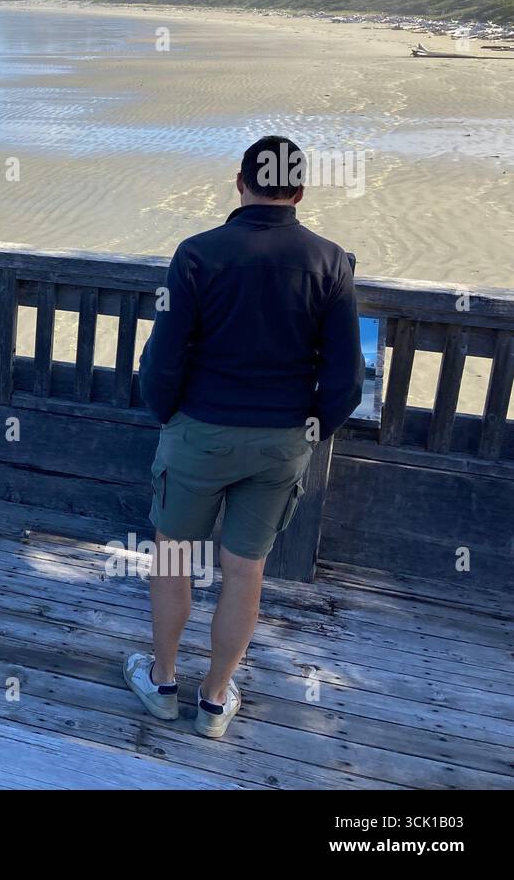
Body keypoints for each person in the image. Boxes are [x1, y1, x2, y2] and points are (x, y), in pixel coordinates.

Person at [124, 136, 363, 738]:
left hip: (200, 430)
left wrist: (167, 415)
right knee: (245, 570)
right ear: (300, 191)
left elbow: (164, 355)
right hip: (282, 439)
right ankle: (213, 699)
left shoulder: (198, 253)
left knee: (174, 557)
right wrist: (312, 427)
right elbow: (344, 379)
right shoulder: (332, 262)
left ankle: (162, 679)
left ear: (240, 182)